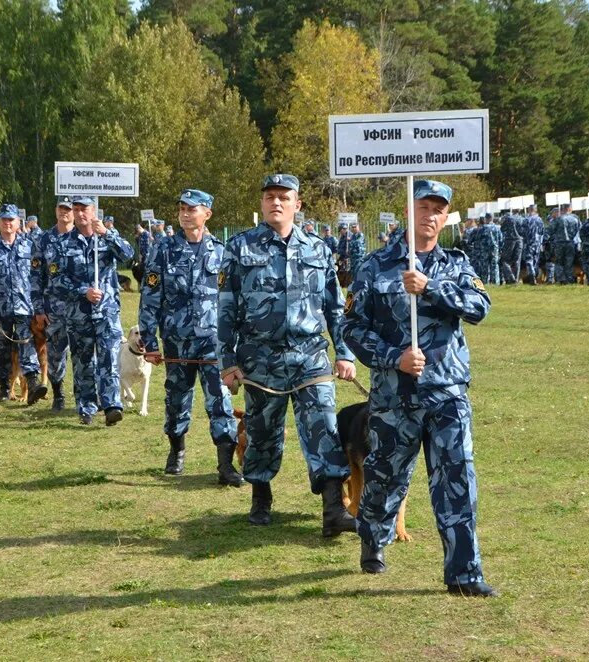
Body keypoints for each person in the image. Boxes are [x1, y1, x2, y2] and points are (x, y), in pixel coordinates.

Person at [341, 179, 496, 596]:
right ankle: (373, 539)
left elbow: (481, 307)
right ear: (408, 210)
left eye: (438, 209)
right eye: (424, 205)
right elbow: (352, 327)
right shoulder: (375, 265)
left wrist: (431, 287)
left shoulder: (457, 264)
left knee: (457, 482)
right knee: (385, 479)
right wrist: (394, 357)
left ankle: (465, 574)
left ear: (446, 218)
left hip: (447, 393)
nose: (430, 215)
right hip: (395, 397)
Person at [218, 173, 357, 537]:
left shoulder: (318, 249)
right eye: (269, 197)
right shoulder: (239, 247)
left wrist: (344, 353)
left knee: (324, 427)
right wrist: (227, 362)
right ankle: (261, 495)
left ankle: (332, 508)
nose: (276, 203)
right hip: (260, 360)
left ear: (298, 205)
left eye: (284, 197)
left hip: (310, 356)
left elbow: (335, 308)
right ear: (262, 204)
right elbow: (226, 308)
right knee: (263, 432)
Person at [139, 189, 243, 485]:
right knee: (176, 399)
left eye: (192, 209)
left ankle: (225, 465)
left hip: (213, 341)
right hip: (177, 340)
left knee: (220, 401)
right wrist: (149, 342)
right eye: (182, 208)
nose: (185, 213)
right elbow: (150, 296)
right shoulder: (163, 249)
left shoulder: (221, 251)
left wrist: (235, 340)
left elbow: (233, 299)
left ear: (207, 214)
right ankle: (177, 450)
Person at [51, 196, 133, 424]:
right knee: (83, 361)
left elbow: (129, 255)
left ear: (93, 210)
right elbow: (56, 279)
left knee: (109, 359)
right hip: (79, 313)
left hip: (106, 312)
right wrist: (82, 290)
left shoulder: (106, 238)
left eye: (84, 209)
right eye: (76, 209)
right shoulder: (63, 243)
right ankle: (86, 407)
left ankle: (111, 405)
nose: (79, 214)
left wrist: (108, 234)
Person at [0, 204, 47, 404]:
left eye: (11, 220)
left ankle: (32, 383)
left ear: (17, 223)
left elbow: (37, 277)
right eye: (4, 219)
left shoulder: (28, 246)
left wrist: (39, 306)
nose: (7, 223)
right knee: (2, 348)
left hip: (24, 306)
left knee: (26, 343)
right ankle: (5, 386)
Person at [29, 196, 76, 409]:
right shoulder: (44, 239)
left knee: (84, 355)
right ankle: (58, 395)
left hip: (81, 309)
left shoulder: (84, 236)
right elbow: (36, 277)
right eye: (61, 208)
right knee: (56, 355)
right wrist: (38, 308)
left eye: (68, 209)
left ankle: (85, 397)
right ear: (55, 210)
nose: (64, 212)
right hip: (54, 309)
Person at [548, 204, 580, 284]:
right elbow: (579, 230)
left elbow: (550, 230)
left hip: (559, 243)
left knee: (559, 262)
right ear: (569, 209)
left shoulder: (559, 219)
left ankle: (562, 279)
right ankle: (569, 279)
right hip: (571, 243)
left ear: (562, 209)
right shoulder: (575, 218)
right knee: (569, 262)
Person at [520, 204, 544, 285]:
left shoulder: (526, 220)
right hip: (537, 244)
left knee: (529, 261)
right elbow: (542, 232)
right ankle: (536, 277)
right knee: (536, 261)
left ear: (529, 210)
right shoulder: (539, 220)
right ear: (536, 210)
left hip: (528, 243)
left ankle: (532, 277)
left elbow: (521, 232)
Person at [500, 210, 523, 284]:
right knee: (517, 261)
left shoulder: (509, 218)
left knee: (505, 261)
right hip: (520, 241)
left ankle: (511, 277)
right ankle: (515, 279)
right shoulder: (522, 219)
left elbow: (502, 229)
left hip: (510, 240)